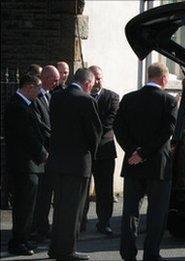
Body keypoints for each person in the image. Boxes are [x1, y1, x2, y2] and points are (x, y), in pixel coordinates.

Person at [114, 62, 177, 261]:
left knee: (130, 210)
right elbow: (167, 132)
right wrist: (145, 153)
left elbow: (118, 128)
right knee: (157, 211)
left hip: (133, 164)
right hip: (157, 164)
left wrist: (134, 151)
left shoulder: (129, 98)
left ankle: (127, 252)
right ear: (164, 78)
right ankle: (151, 253)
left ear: (148, 76)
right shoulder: (169, 100)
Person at [47, 68, 102, 260]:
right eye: (92, 84)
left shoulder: (56, 97)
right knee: (74, 210)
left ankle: (55, 247)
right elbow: (95, 133)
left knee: (60, 208)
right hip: (78, 163)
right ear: (87, 83)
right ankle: (67, 250)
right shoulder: (86, 100)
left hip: (58, 161)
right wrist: (92, 156)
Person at [5, 74, 48, 256]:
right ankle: (18, 241)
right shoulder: (17, 106)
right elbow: (27, 136)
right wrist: (43, 153)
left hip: (29, 164)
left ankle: (24, 238)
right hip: (24, 165)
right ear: (29, 87)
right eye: (38, 88)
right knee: (23, 205)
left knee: (28, 205)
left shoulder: (25, 105)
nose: (39, 92)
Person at [81, 65, 119, 236]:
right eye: (95, 77)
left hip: (104, 150)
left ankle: (104, 222)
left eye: (100, 77)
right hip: (85, 151)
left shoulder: (112, 97)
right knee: (83, 188)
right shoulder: (81, 97)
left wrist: (91, 135)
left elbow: (109, 121)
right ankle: (80, 222)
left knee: (105, 189)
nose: (98, 80)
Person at [31, 65, 60, 242]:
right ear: (45, 77)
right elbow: (40, 126)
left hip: (52, 153)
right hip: (41, 153)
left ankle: (43, 226)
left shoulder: (50, 95)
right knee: (39, 195)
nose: (57, 82)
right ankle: (35, 228)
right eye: (54, 79)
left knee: (46, 194)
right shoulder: (36, 97)